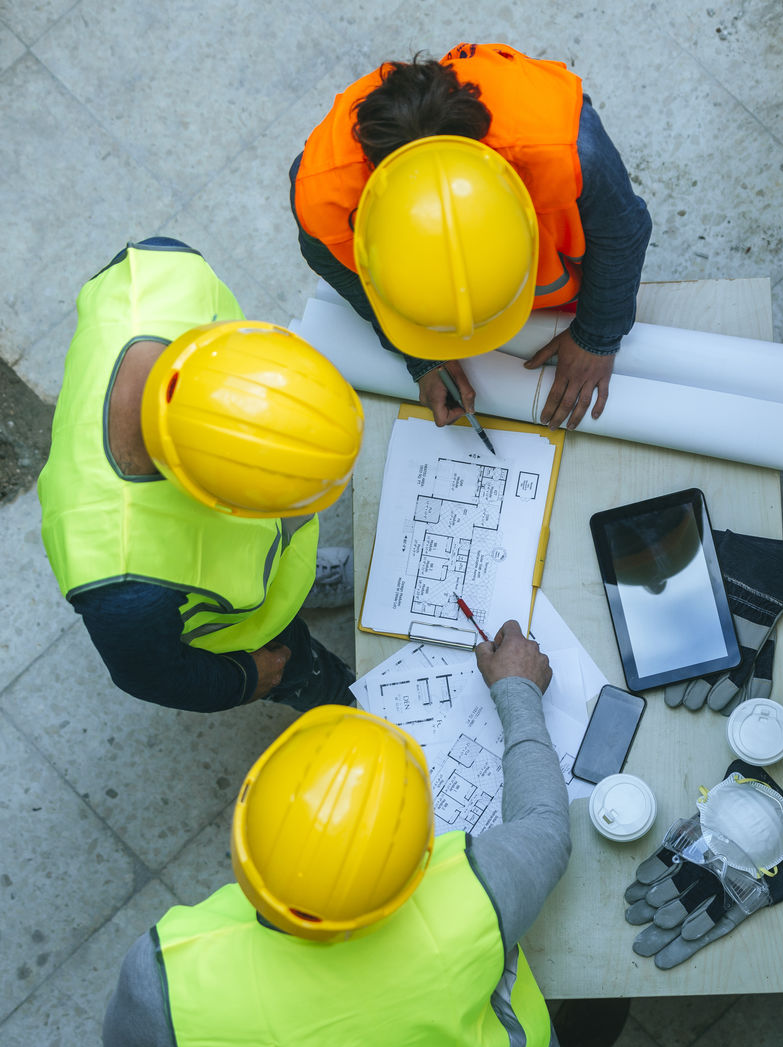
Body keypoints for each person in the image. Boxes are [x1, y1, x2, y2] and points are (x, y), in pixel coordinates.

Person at [102, 620, 580, 1047]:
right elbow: (545, 828)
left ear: (244, 834)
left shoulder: (167, 972)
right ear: (421, 860)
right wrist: (518, 692)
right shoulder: (473, 897)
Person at [38, 237, 364, 713]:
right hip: (243, 630)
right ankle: (332, 696)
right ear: (210, 498)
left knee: (279, 565)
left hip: (252, 565)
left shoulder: (163, 269)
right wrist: (246, 676)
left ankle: (302, 582)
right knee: (303, 671)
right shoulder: (124, 583)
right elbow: (151, 674)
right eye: (272, 499)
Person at [290, 42, 652, 431]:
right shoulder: (323, 198)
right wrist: (423, 355)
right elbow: (333, 262)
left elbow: (621, 233)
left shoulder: (567, 150)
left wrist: (596, 338)